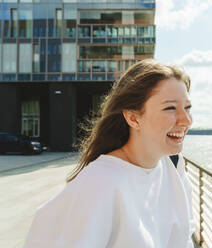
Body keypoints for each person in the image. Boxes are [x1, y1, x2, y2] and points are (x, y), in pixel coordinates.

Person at [23, 59, 194, 248]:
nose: (186, 120)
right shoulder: (100, 181)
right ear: (133, 118)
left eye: (187, 107)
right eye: (170, 108)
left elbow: (184, 237)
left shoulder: (173, 164)